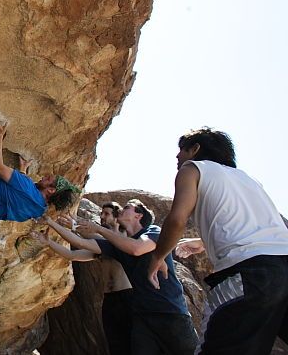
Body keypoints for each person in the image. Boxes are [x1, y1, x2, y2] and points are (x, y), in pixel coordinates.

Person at [147, 128, 288, 354]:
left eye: (181, 150)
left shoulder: (192, 169)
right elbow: (265, 228)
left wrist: (158, 256)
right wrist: (202, 241)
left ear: (195, 149)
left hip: (251, 275)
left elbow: (177, 219)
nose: (177, 157)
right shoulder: (249, 180)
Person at [46, 200, 198, 355]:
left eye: (127, 208)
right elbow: (80, 243)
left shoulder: (153, 231)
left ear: (138, 215)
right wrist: (50, 223)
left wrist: (98, 228)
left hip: (170, 313)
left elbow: (136, 249)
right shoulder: (116, 246)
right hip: (143, 318)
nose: (121, 210)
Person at [32, 201, 133, 355]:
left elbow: (83, 239)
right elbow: (72, 254)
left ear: (116, 217)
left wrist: (67, 224)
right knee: (114, 343)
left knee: (132, 342)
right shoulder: (103, 246)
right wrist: (48, 242)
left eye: (106, 214)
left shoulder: (123, 240)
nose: (102, 217)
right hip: (109, 299)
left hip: (126, 297)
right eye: (101, 213)